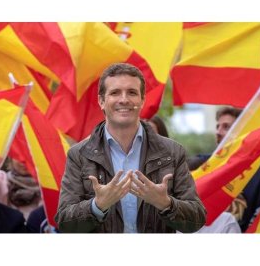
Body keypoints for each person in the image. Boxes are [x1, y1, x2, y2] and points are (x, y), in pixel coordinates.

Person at [55, 63, 206, 233]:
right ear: (101, 101)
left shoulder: (172, 152)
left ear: (142, 100)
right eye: (115, 92)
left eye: (132, 92)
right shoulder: (79, 155)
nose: (124, 99)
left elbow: (196, 220)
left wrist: (166, 204)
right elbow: (65, 223)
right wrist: (97, 206)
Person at [194, 106, 260, 232]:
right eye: (218, 126)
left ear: (242, 133)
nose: (218, 132)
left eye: (226, 127)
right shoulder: (201, 165)